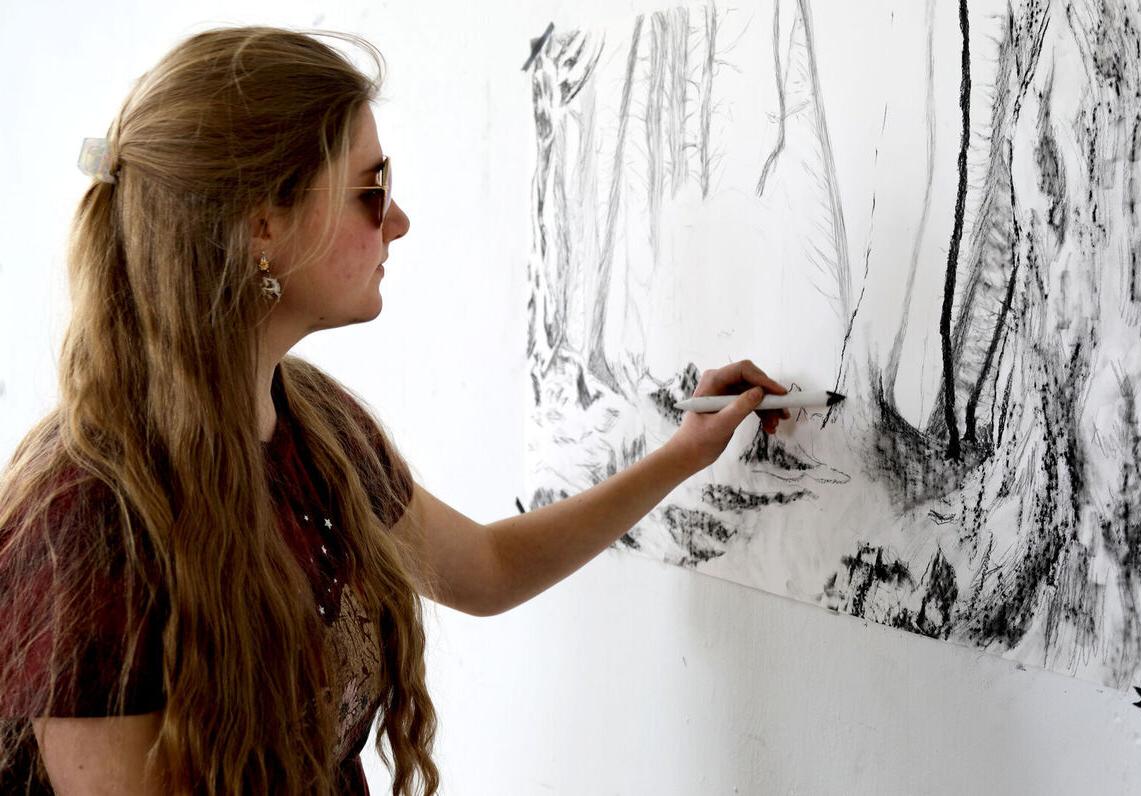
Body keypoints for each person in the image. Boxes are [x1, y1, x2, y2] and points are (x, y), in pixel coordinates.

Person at [0, 26, 791, 795]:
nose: (399, 222)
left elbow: (488, 569)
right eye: (371, 191)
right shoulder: (85, 520)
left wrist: (683, 453)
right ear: (262, 225)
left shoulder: (317, 424)